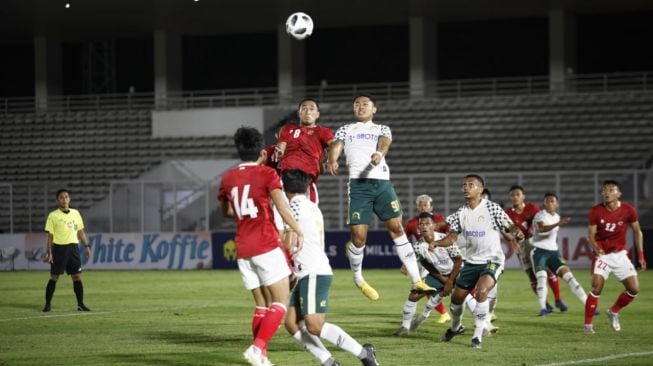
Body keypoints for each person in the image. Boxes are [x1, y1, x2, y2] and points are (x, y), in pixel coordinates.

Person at [326, 94, 435, 300]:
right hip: (359, 186)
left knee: (397, 228)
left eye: (365, 104)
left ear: (374, 109)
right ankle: (359, 279)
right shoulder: (346, 129)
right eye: (356, 104)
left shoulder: (382, 128)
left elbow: (385, 143)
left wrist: (380, 154)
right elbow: (336, 145)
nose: (361, 107)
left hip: (383, 184)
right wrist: (332, 159)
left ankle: (416, 280)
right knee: (359, 238)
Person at [217, 127, 305, 366]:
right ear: (262, 153)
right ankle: (257, 349)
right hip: (265, 243)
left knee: (261, 305)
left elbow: (226, 212)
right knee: (280, 301)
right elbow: (284, 208)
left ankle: (262, 356)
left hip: (242, 247)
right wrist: (298, 230)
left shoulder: (227, 178)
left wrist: (246, 212)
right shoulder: (267, 174)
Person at [282, 169, 378, 366]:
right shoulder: (311, 206)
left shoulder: (293, 208)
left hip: (312, 271)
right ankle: (328, 361)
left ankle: (363, 353)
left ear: (285, 188)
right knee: (292, 323)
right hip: (308, 271)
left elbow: (288, 244)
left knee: (314, 326)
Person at [435, 174, 524, 349]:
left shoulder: (492, 208)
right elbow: (452, 236)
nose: (466, 188)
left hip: (492, 260)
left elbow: (509, 225)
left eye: (471, 185)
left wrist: (516, 232)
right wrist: (437, 242)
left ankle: (477, 337)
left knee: (482, 292)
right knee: (456, 300)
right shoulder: (462, 213)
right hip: (471, 262)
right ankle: (455, 328)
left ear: (480, 190)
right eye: (464, 185)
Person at [584, 180, 646, 333]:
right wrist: (596, 249)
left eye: (611, 190)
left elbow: (637, 231)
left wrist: (641, 255)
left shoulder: (628, 210)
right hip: (602, 254)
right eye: (604, 190)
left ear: (619, 194)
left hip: (619, 255)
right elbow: (590, 234)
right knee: (596, 287)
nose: (606, 193)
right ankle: (587, 326)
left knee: (633, 289)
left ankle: (614, 311)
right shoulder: (596, 211)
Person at [394, 212, 463, 336]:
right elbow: (427, 265)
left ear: (434, 226)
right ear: (418, 228)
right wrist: (442, 280)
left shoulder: (445, 239)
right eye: (421, 224)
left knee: (464, 298)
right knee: (414, 295)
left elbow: (458, 261)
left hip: (456, 272)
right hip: (439, 274)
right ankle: (405, 328)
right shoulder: (418, 247)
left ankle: (482, 326)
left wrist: (450, 281)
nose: (424, 226)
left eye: (427, 223)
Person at [506, 185, 564, 313]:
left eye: (517, 194)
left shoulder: (532, 208)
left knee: (548, 271)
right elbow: (507, 231)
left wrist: (533, 231)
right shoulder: (508, 213)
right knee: (532, 276)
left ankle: (558, 299)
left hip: (536, 244)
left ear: (523, 196)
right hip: (522, 247)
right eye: (512, 195)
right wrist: (512, 242)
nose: (515, 197)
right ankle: (547, 305)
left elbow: (539, 222)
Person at [531, 193, 589, 316]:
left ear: (557, 204)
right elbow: (542, 229)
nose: (549, 203)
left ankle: (589, 306)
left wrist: (558, 223)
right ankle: (543, 309)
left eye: (552, 201)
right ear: (544, 203)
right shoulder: (540, 215)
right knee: (542, 279)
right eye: (547, 201)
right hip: (539, 252)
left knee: (569, 277)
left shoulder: (557, 216)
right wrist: (557, 224)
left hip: (553, 253)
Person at [273, 98, 334, 204]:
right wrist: (279, 152)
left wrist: (332, 158)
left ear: (317, 114)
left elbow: (335, 145)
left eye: (311, 109)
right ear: (299, 113)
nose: (308, 111)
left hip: (306, 181)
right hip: (286, 179)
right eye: (304, 108)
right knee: (282, 217)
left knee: (307, 217)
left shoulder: (323, 131)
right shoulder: (287, 129)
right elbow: (281, 147)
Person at [42, 189, 92, 313]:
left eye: (66, 196)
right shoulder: (53, 215)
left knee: (76, 276)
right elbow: (50, 237)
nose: (64, 199)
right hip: (59, 248)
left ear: (69, 199)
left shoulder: (75, 213)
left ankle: (80, 304)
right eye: (61, 197)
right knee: (54, 277)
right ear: (57, 200)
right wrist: (49, 252)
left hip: (74, 248)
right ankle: (47, 305)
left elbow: (80, 231)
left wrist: (86, 246)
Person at [403, 194, 451, 323]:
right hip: (425, 260)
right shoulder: (412, 223)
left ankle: (481, 311)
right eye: (420, 204)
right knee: (426, 287)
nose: (423, 207)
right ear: (417, 207)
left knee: (455, 285)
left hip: (442, 258)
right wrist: (405, 262)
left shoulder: (440, 219)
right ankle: (442, 313)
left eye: (426, 204)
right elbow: (404, 242)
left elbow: (451, 234)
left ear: (431, 207)